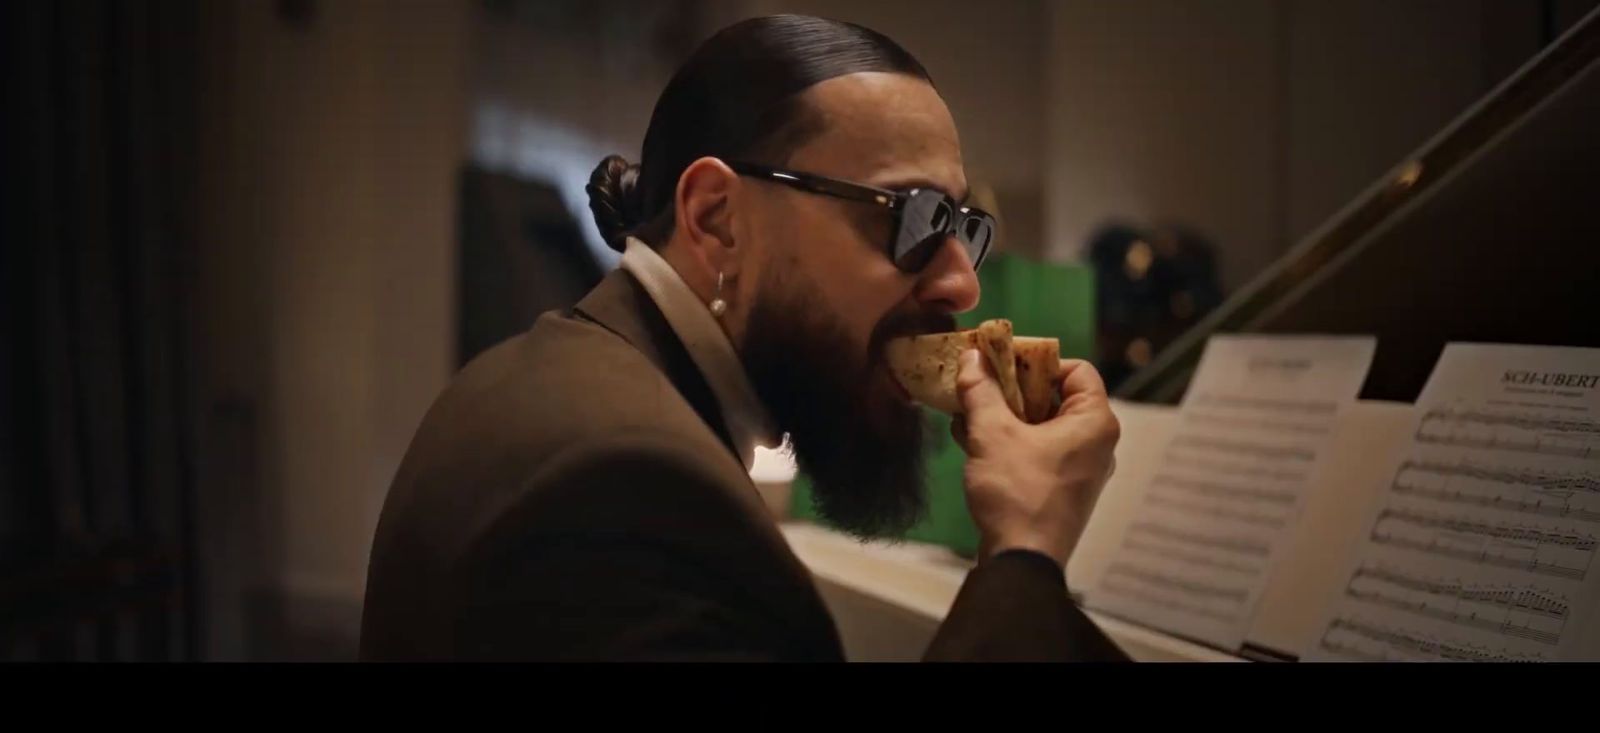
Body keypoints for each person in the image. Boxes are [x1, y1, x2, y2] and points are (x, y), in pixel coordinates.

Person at [360, 14, 1127, 662]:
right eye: (915, 217)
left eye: (967, 228)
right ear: (717, 220)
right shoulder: (625, 488)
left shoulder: (550, 376)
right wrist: (1025, 547)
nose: (963, 283)